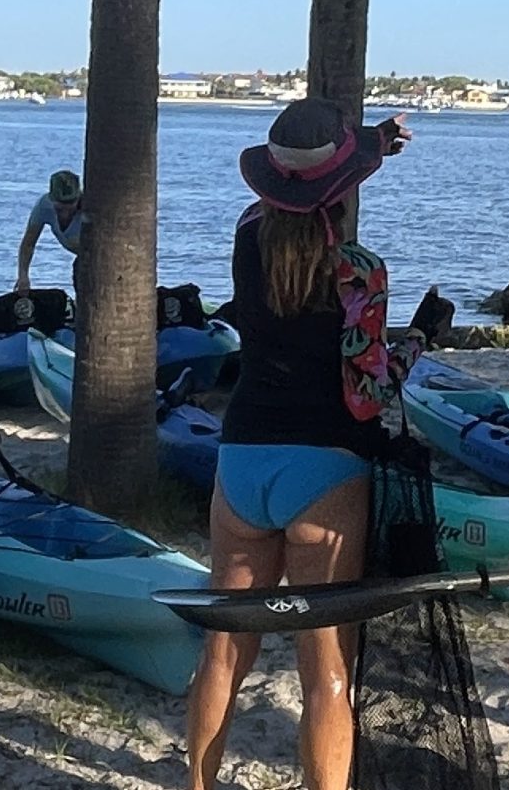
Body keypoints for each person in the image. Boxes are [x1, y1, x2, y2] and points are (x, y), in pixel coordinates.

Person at [184, 97, 421, 790]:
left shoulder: (246, 240)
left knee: (223, 655)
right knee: (327, 674)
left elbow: (292, 203)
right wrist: (414, 345)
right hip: (325, 465)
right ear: (343, 192)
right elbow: (367, 392)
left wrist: (367, 150)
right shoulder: (359, 271)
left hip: (243, 456)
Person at [15, 169, 85, 292]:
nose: (65, 213)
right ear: (52, 200)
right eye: (60, 208)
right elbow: (28, 243)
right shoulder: (44, 206)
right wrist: (23, 276)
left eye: (71, 205)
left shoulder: (90, 208)